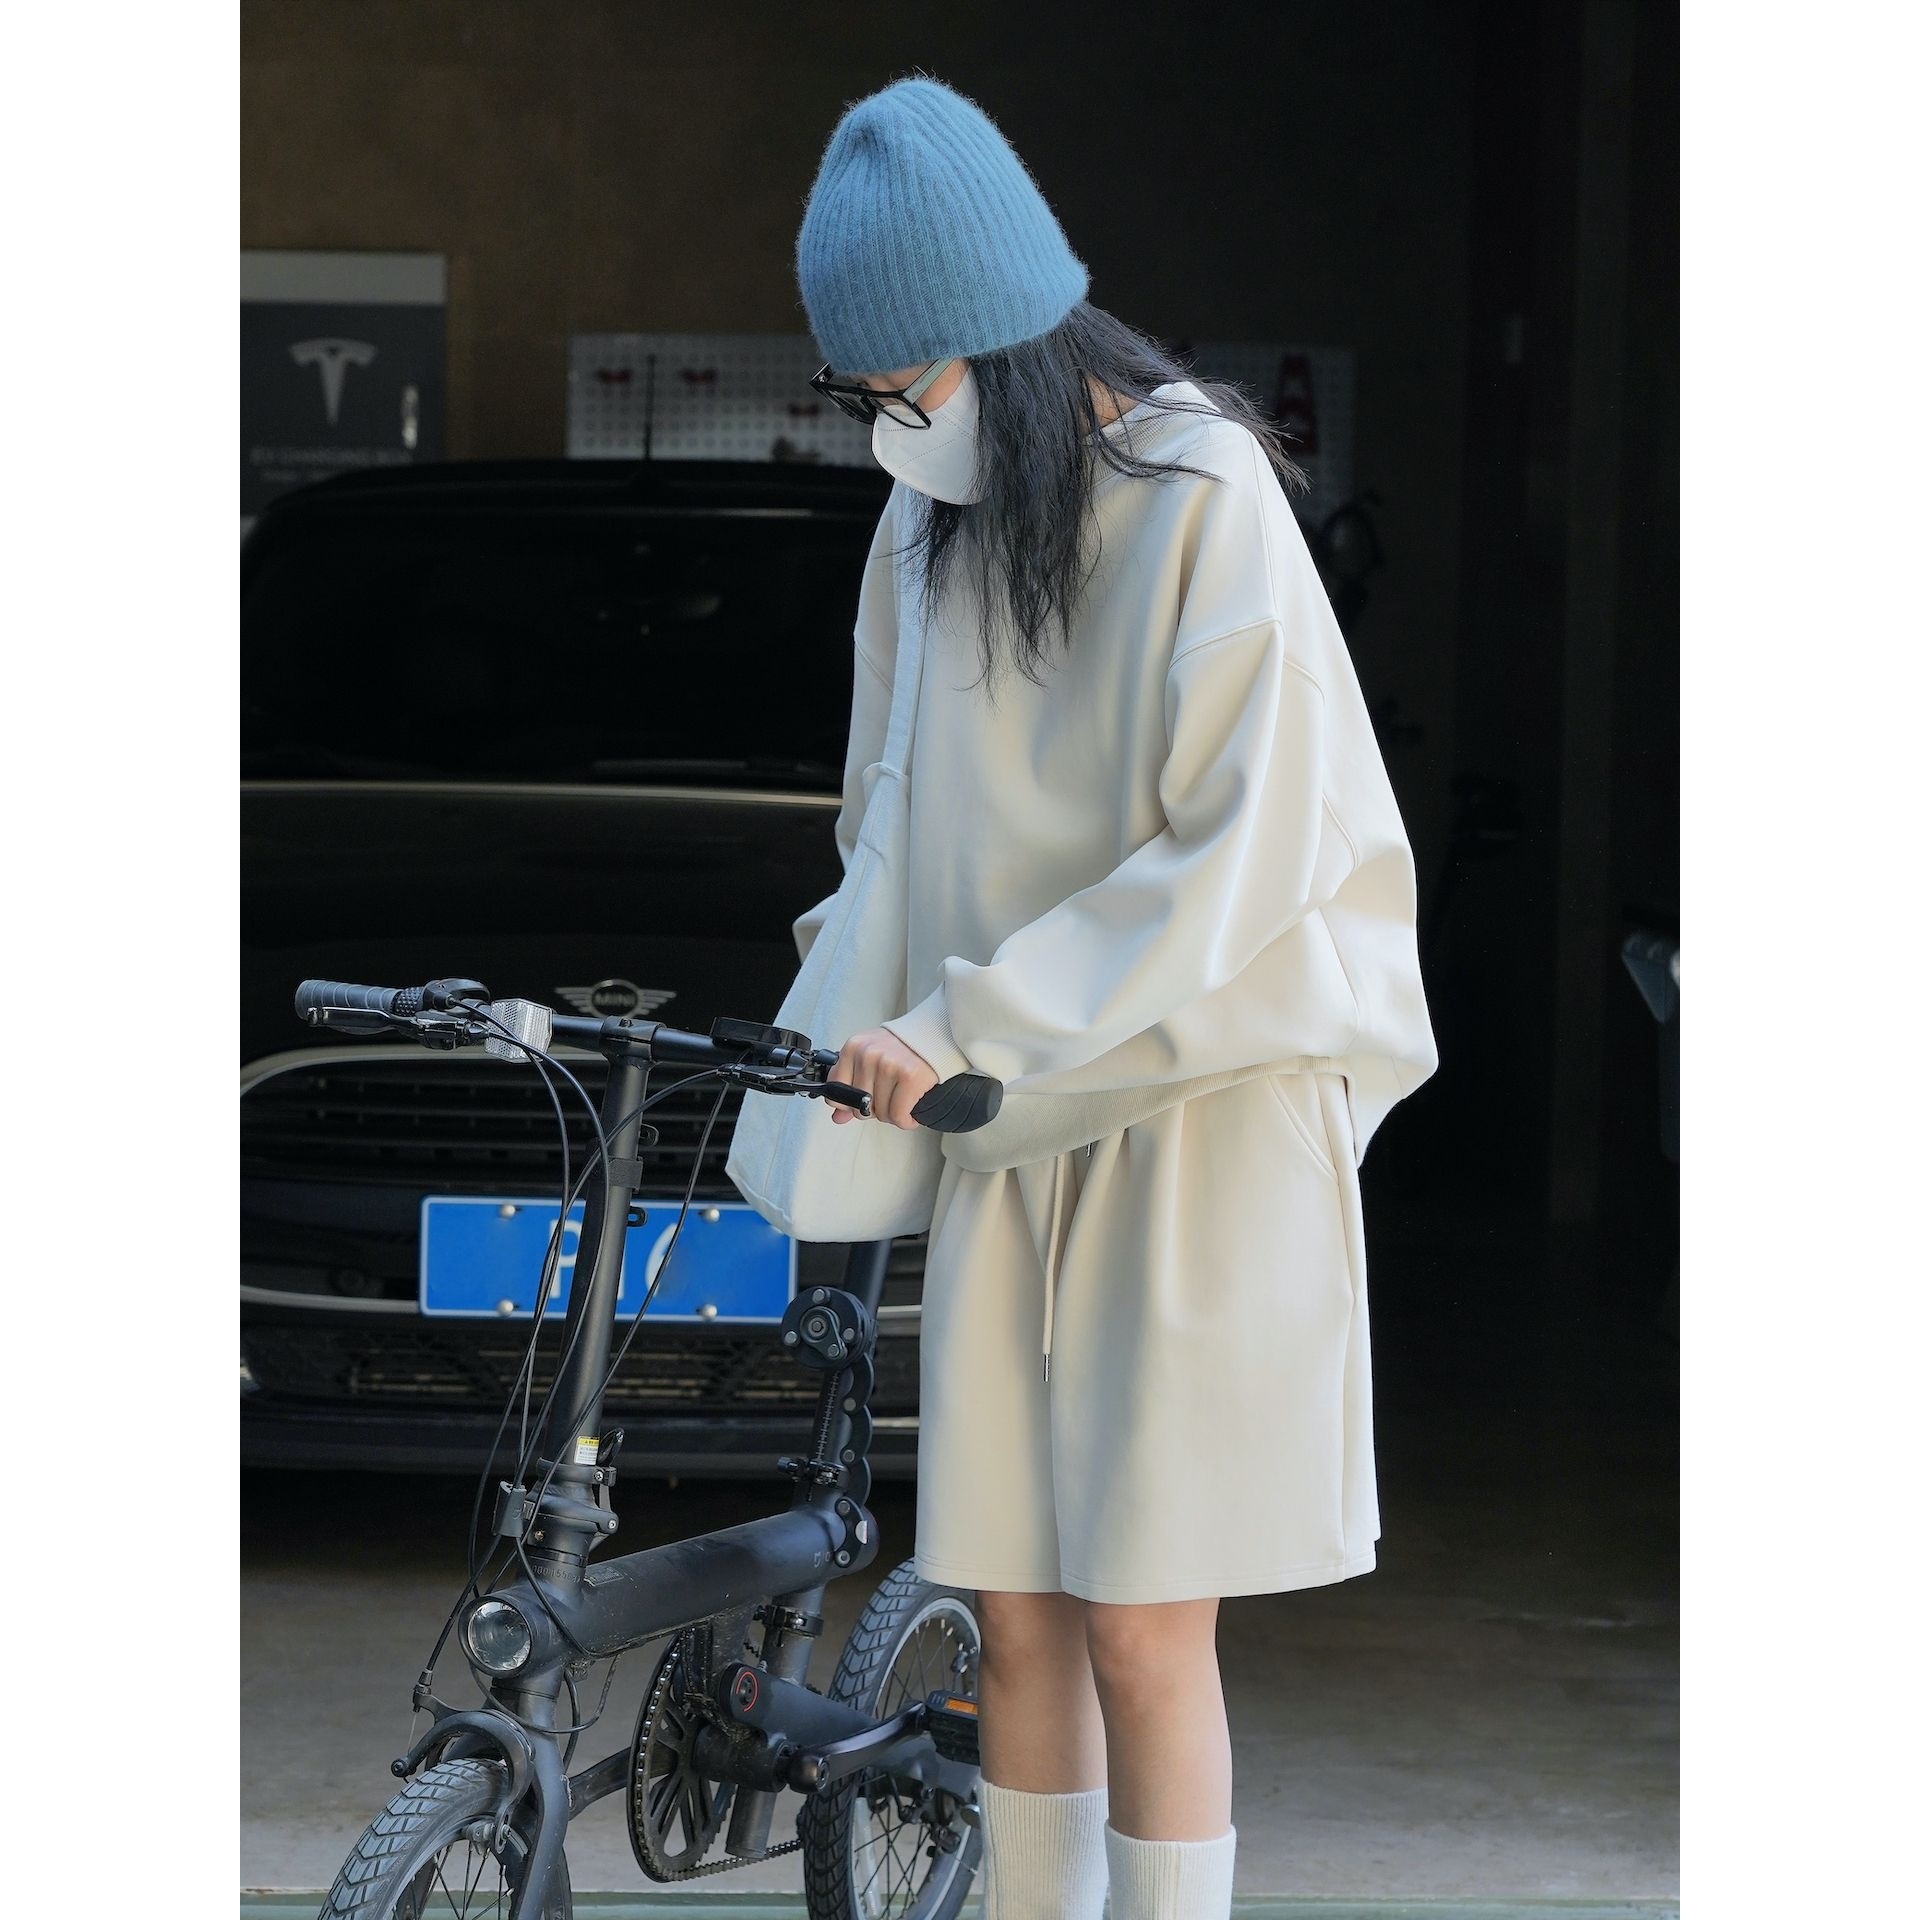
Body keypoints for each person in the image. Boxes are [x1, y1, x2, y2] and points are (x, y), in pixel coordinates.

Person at [791, 75, 1438, 1920]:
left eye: (898, 382)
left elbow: (1247, 848)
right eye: (860, 391)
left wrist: (963, 1024)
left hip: (1202, 1115)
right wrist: (841, 1036)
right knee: (1015, 1615)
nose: (887, 422)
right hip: (1009, 1122)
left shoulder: (1198, 487)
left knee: (1147, 1621)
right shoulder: (921, 526)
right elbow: (882, 820)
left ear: (995, 336)